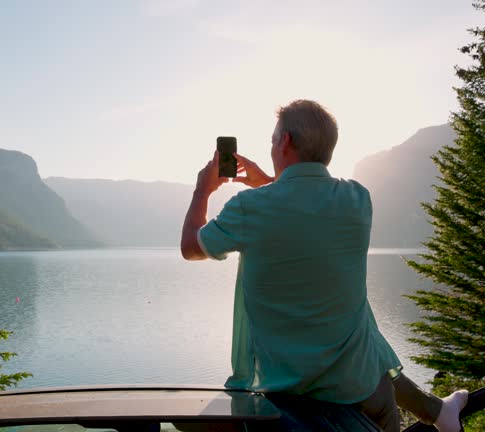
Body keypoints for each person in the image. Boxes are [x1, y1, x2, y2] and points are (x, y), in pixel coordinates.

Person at [180, 100, 468, 432]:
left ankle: (438, 411)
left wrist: (203, 189)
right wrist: (274, 181)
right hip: (362, 389)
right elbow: (302, 214)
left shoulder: (249, 208)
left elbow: (191, 247)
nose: (272, 146)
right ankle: (438, 412)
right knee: (365, 342)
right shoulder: (358, 199)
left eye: (273, 139)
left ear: (285, 141)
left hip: (288, 391)